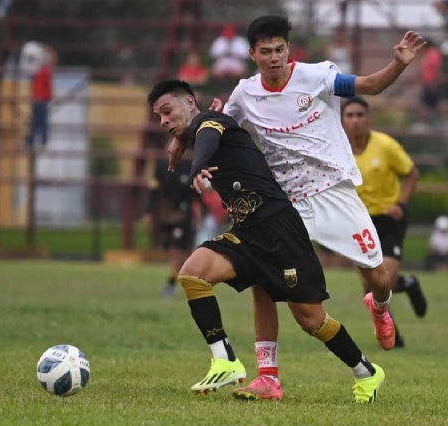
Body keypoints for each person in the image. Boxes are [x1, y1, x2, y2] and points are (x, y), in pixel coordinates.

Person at [168, 15, 425, 400]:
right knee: (261, 280)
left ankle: (380, 307)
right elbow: (217, 126)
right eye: (266, 51)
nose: (274, 57)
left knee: (377, 277)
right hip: (284, 203)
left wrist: (399, 65)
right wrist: (183, 140)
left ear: (288, 49)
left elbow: (368, 85)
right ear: (252, 54)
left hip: (333, 192)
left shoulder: (318, 75)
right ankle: (268, 376)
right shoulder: (245, 93)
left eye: (280, 49)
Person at [148, 79, 386, 403]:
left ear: (190, 102)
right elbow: (200, 137)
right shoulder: (200, 129)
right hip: (247, 232)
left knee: (310, 319)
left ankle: (366, 372)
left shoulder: (211, 122)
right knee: (193, 273)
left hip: (279, 229)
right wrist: (184, 143)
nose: (163, 120)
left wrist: (197, 167)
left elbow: (207, 134)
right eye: (158, 116)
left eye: (167, 110)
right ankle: (227, 361)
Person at [342, 96, 427, 348]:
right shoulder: (339, 150)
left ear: (368, 119)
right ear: (343, 121)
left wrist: (400, 204)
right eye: (350, 115)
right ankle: (393, 335)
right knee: (369, 284)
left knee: (384, 280)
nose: (355, 120)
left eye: (359, 115)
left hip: (388, 219)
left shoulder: (385, 145)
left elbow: (412, 174)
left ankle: (407, 284)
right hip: (358, 222)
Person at [145, 159, 199, 298]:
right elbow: (154, 190)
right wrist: (149, 211)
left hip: (184, 216)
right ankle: (196, 278)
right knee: (182, 253)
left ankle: (170, 285)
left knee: (177, 251)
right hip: (167, 215)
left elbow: (195, 191)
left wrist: (199, 207)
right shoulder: (162, 166)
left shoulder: (189, 166)